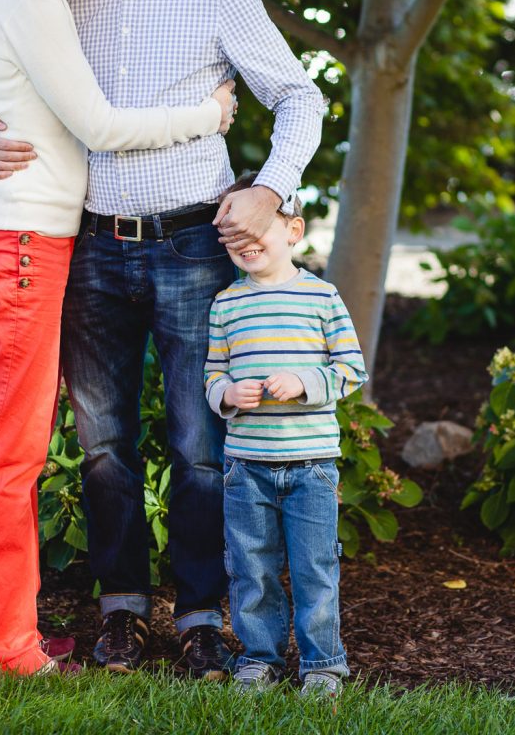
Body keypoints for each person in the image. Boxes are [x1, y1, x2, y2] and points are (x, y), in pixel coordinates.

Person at [0, 0, 326, 679]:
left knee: (199, 446)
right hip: (86, 249)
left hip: (194, 242)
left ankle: (198, 619)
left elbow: (296, 95)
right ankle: (118, 613)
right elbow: (17, 96)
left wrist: (270, 187)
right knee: (103, 447)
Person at [205, 172, 368, 696]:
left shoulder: (322, 298)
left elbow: (350, 369)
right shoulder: (226, 304)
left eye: (259, 227)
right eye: (233, 236)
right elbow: (212, 373)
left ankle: (323, 664)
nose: (246, 242)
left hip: (311, 463)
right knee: (250, 568)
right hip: (246, 464)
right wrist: (227, 394)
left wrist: (303, 381)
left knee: (315, 567)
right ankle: (260, 659)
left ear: (293, 229)